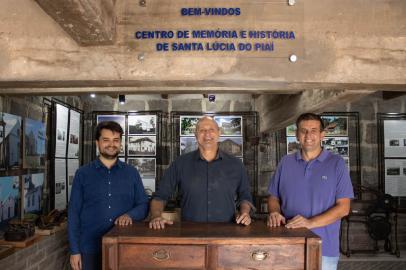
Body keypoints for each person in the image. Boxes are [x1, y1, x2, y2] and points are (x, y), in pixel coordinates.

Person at [267, 113, 353, 270]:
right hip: (287, 245)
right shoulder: (285, 162)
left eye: (314, 130)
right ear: (297, 135)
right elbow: (273, 197)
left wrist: (309, 223)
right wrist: (274, 212)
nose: (308, 135)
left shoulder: (337, 164)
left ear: (322, 135)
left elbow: (344, 208)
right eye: (303, 130)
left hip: (323, 248)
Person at [68, 121, 149, 270]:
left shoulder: (132, 173)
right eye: (106, 140)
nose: (111, 144)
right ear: (97, 143)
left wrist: (130, 215)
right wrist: (74, 251)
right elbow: (73, 213)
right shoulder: (83, 174)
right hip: (89, 249)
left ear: (120, 143)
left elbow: (143, 204)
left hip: (123, 247)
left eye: (116, 140)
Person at [149, 116, 253, 229]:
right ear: (196, 135)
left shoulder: (236, 165)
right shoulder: (180, 163)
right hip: (189, 234)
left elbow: (245, 196)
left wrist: (245, 213)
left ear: (219, 133)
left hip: (227, 232)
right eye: (202, 130)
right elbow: (160, 196)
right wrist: (156, 216)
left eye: (211, 130)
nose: (207, 134)